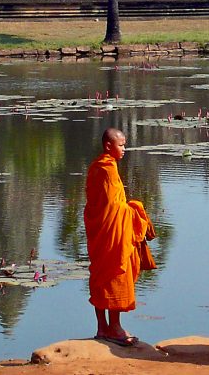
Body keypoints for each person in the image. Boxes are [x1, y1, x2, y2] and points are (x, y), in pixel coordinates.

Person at [84, 127, 156, 347]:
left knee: (100, 275)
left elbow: (98, 205)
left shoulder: (96, 166)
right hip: (111, 233)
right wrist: (136, 210)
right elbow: (114, 207)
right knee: (116, 272)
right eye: (121, 145)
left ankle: (101, 327)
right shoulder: (107, 169)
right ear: (109, 146)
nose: (125, 149)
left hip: (100, 231)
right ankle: (114, 328)